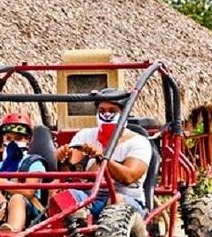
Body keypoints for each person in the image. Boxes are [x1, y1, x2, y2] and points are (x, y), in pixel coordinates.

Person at [56, 88, 152, 217]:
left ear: (124, 113)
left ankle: (109, 235)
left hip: (126, 199)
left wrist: (101, 157)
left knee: (115, 200)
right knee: (60, 192)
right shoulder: (86, 134)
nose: (106, 115)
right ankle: (61, 233)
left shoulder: (138, 142)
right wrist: (65, 158)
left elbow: (129, 177)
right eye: (102, 111)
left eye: (112, 111)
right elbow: (70, 170)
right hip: (90, 196)